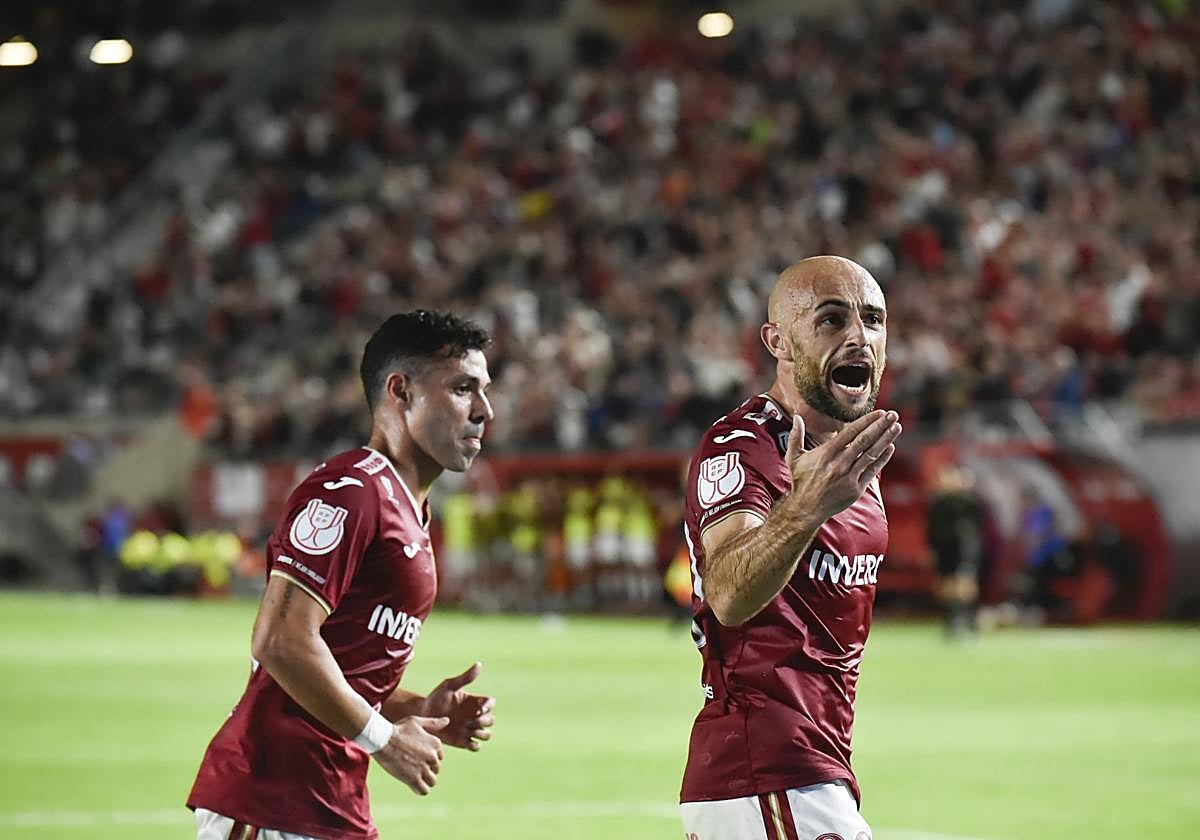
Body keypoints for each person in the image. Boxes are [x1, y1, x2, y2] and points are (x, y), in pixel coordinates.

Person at [188, 310, 498, 840]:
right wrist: (383, 737)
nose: (484, 411)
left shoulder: (408, 509)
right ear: (401, 391)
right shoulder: (351, 491)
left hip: (327, 800)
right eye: (463, 389)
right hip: (273, 797)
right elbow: (280, 641)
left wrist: (417, 708)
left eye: (485, 391)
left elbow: (342, 663)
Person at [679, 256, 901, 840]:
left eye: (873, 320)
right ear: (778, 341)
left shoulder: (849, 459)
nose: (859, 336)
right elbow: (726, 592)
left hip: (807, 771)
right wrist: (803, 509)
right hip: (765, 773)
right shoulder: (743, 446)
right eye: (831, 321)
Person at [926, 462, 985, 639]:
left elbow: (977, 521)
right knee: (946, 586)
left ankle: (968, 622)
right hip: (944, 548)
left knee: (964, 584)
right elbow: (931, 528)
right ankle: (951, 623)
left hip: (964, 547)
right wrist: (931, 549)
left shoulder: (967, 500)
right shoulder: (937, 502)